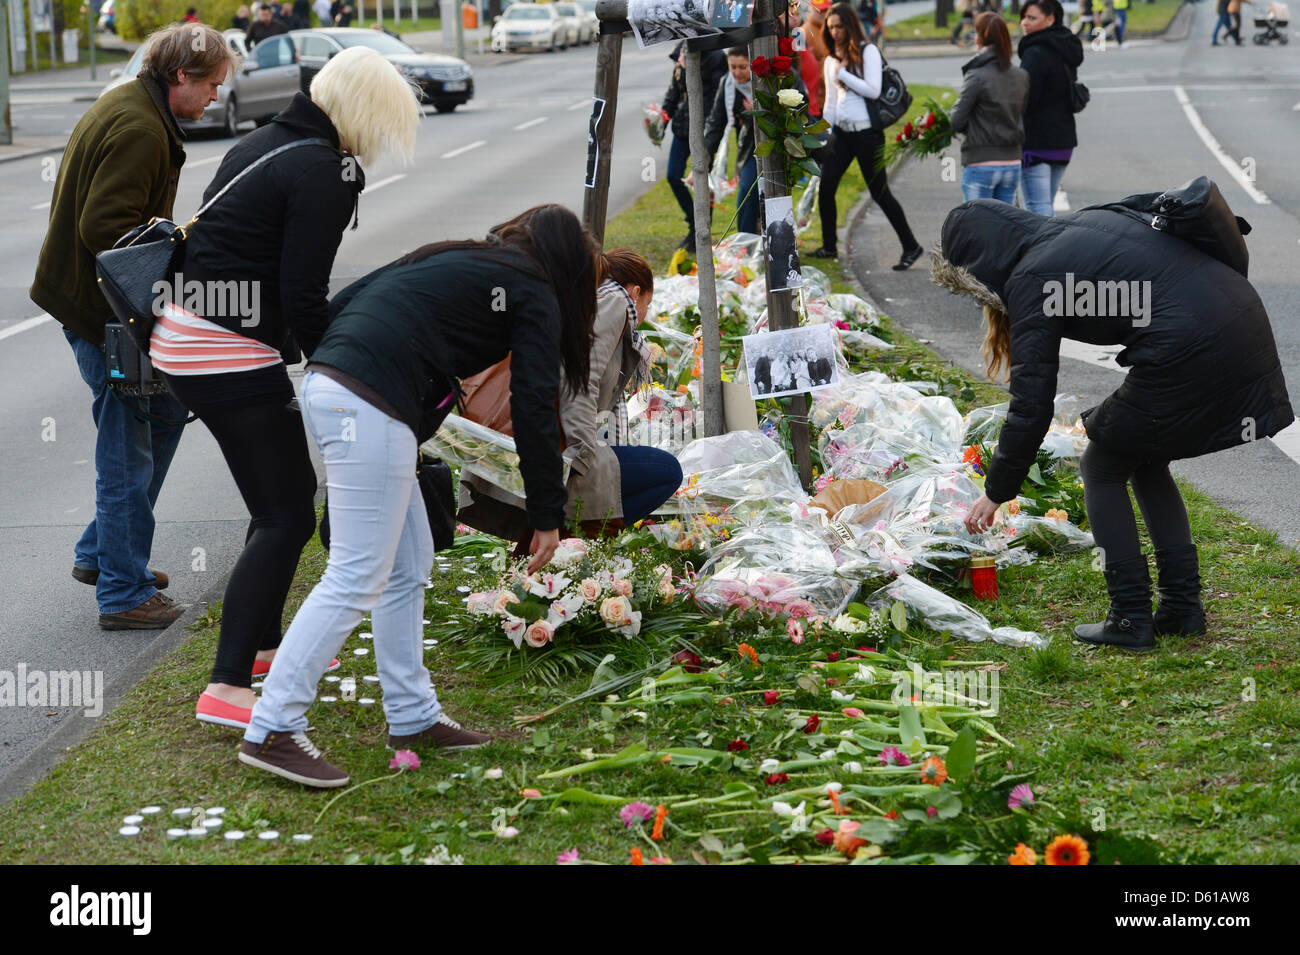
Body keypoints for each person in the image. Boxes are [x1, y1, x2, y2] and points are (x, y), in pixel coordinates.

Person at [238, 205, 599, 787]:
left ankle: (412, 716)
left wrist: (349, 367)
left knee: (406, 564)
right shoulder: (533, 289)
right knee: (356, 573)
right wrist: (546, 517)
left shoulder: (454, 255)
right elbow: (534, 408)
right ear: (567, 267)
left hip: (342, 387)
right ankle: (273, 727)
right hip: (369, 404)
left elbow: (343, 302)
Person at [150, 47, 419, 730]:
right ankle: (228, 683)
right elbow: (303, 293)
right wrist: (348, 370)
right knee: (287, 514)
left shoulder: (271, 138)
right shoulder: (324, 171)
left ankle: (266, 645)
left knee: (281, 499)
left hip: (192, 330)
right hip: (221, 346)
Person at [936, 199, 1293, 651]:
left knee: (1101, 466)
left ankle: (1129, 619)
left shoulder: (1031, 277)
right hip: (1239, 317)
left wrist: (997, 490)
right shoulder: (1078, 224)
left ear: (981, 263)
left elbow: (1032, 403)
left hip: (1193, 343)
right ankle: (1181, 610)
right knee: (1143, 456)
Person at [31, 24, 234, 631]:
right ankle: (122, 592)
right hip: (101, 313)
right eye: (212, 86)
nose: (216, 98)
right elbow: (107, 229)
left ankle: (105, 553)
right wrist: (179, 244)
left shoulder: (132, 104)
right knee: (127, 449)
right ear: (181, 77)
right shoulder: (143, 129)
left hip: (91, 301)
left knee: (163, 418)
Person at [459, 249, 683, 545]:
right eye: (648, 304)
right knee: (666, 471)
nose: (645, 314)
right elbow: (580, 382)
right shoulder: (614, 304)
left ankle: (552, 549)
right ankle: (574, 543)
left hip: (525, 441)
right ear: (636, 291)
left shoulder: (578, 304)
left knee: (638, 472)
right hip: (559, 450)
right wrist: (580, 457)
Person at [812, 2, 923, 269]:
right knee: (826, 187)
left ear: (850, 25)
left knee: (880, 192)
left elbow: (873, 90)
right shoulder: (830, 58)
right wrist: (824, 133)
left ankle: (911, 246)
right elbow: (830, 102)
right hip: (841, 135)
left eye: (840, 26)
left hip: (866, 134)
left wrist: (845, 75)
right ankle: (829, 246)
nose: (836, 32)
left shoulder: (868, 51)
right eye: (831, 27)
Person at [704, 46, 805, 237]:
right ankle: (747, 241)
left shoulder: (771, 79)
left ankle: (778, 243)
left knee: (775, 196)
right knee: (747, 191)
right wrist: (705, 157)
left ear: (752, 66)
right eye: (732, 67)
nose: (736, 73)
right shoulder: (728, 84)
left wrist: (759, 113)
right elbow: (716, 122)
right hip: (752, 148)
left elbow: (798, 111)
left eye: (742, 67)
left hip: (782, 145)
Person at [950, 11, 1029, 204]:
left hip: (981, 161)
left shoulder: (976, 75)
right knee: (1005, 228)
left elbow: (956, 120)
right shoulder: (1021, 75)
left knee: (978, 228)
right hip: (1012, 162)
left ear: (981, 38)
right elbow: (1021, 114)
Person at [1017, 0, 1083, 217]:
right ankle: (1050, 247)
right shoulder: (1066, 47)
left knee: (1038, 208)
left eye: (1032, 18)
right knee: (1045, 204)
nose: (1024, 23)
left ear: (1050, 18)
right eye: (1024, 17)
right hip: (1063, 142)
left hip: (1037, 142)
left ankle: (1045, 250)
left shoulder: (1034, 53)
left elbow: (1026, 99)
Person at [661, 41, 729, 250]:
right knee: (673, 175)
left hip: (707, 129)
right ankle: (694, 221)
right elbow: (674, 89)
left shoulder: (716, 56)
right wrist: (662, 119)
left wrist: (712, 126)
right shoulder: (682, 49)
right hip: (683, 126)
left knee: (703, 181)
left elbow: (720, 96)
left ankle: (701, 232)